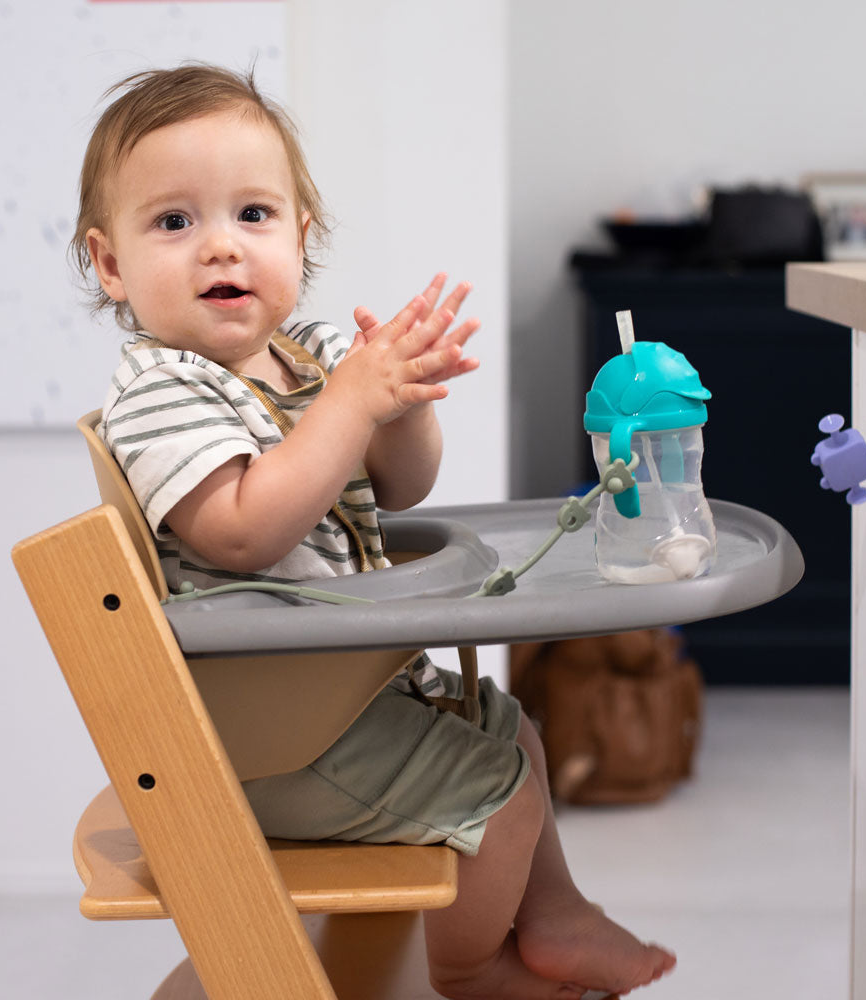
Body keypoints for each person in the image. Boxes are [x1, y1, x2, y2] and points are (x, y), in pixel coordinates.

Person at [70, 63, 675, 999]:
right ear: (112, 264)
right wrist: (348, 409)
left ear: (302, 239)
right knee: (499, 793)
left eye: (253, 216)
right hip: (267, 728)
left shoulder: (307, 358)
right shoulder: (162, 394)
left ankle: (555, 916)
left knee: (516, 734)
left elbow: (400, 488)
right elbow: (244, 533)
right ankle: (473, 970)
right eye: (175, 222)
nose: (220, 249)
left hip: (332, 689)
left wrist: (399, 407)